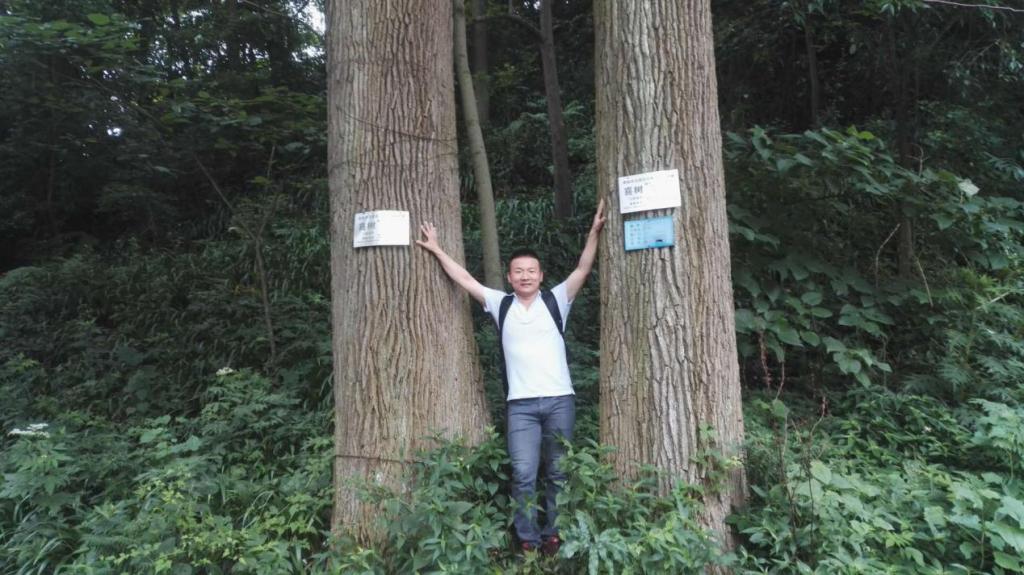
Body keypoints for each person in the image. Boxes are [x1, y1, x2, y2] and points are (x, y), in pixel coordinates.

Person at [415, 200, 607, 555]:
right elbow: (466, 280)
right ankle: (528, 539)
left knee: (558, 472)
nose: (525, 276)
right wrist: (437, 249)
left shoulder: (556, 301)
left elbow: (582, 269)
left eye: (531, 271)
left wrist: (594, 232)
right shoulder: (500, 304)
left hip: (560, 400)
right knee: (523, 473)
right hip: (520, 407)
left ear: (541, 275)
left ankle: (554, 534)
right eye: (518, 271)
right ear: (509, 277)